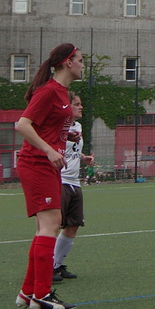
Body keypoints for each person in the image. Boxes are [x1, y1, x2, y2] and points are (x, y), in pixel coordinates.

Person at [14, 43, 82, 309]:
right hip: (37, 163)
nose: (82, 64)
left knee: (47, 225)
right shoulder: (49, 91)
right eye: (80, 60)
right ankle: (42, 294)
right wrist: (48, 149)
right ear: (67, 62)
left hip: (47, 164)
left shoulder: (61, 92)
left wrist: (66, 136)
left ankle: (28, 292)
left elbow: (47, 126)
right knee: (51, 224)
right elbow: (22, 125)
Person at [53, 95, 95, 283]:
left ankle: (58, 265)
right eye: (76, 104)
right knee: (52, 226)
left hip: (74, 182)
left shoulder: (77, 127)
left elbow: (71, 152)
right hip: (59, 181)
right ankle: (46, 267)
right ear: (66, 106)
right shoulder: (57, 125)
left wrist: (83, 158)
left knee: (73, 225)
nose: (81, 106)